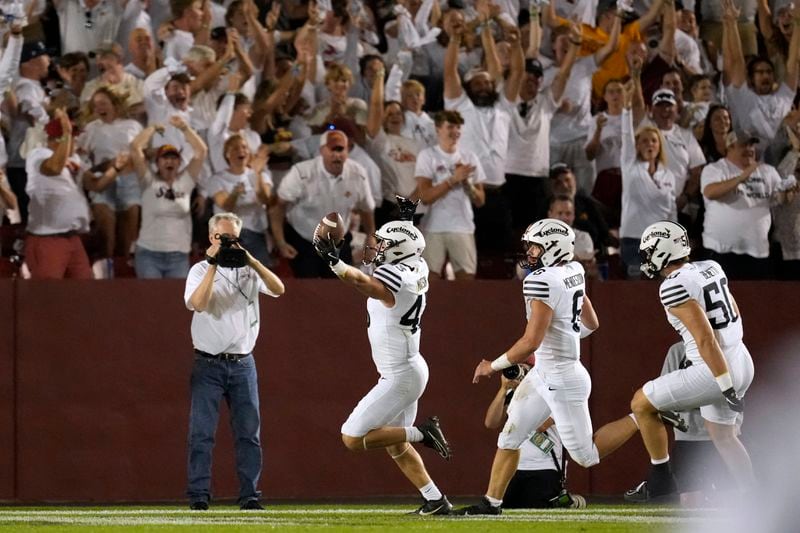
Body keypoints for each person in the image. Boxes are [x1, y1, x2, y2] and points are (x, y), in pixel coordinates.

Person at [455, 218, 633, 515]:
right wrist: (562, 337)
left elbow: (530, 343)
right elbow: (591, 323)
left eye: (536, 246)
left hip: (563, 377)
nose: (531, 252)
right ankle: (491, 503)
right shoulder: (573, 270)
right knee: (510, 436)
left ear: (552, 246)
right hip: (544, 374)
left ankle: (640, 416)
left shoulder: (542, 280)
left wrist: (493, 365)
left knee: (586, 456)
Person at [312, 198, 454, 516]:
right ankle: (435, 500)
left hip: (400, 374)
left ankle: (424, 432)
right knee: (393, 443)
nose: (376, 248)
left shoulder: (395, 277)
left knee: (352, 437)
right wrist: (405, 220)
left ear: (399, 249)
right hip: (410, 368)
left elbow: (363, 283)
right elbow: (406, 247)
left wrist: (335, 263)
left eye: (384, 244)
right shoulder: (415, 265)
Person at [624, 220, 755, 502]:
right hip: (741, 357)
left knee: (640, 403)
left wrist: (726, 386)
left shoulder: (673, 286)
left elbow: (706, 339)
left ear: (661, 251)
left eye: (649, 252)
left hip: (714, 369)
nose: (646, 259)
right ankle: (752, 496)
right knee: (724, 436)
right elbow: (733, 308)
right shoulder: (710, 267)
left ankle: (661, 481)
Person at [184, 212, 285, 511]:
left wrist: (252, 260)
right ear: (212, 237)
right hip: (208, 365)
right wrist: (214, 263)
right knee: (201, 434)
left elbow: (279, 289)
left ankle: (250, 495)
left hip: (243, 364)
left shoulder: (249, 271)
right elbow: (198, 303)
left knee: (248, 434)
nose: (228, 244)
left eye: (233, 238)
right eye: (223, 238)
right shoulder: (199, 270)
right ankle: (199, 496)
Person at [270, 129, 376, 278]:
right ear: (322, 151)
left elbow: (367, 210)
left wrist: (370, 238)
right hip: (304, 242)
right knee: (307, 292)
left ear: (347, 152)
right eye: (332, 150)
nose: (336, 155)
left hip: (338, 244)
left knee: (340, 291)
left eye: (341, 150)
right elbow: (277, 208)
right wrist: (280, 242)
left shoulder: (358, 174)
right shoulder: (301, 173)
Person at [484, 365, 586, 509]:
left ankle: (570, 502)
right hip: (513, 468)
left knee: (538, 508)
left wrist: (527, 392)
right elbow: (491, 422)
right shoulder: (514, 396)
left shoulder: (553, 393)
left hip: (544, 468)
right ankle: (569, 502)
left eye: (526, 370)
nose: (522, 375)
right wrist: (503, 390)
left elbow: (540, 425)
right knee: (500, 509)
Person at [414, 110, 486, 280]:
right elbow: (425, 196)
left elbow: (480, 200)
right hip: (433, 227)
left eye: (458, 127)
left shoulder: (469, 157)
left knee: (466, 282)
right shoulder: (427, 156)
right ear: (438, 128)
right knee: (429, 282)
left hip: (463, 226)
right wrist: (453, 180)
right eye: (450, 126)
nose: (455, 131)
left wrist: (467, 184)